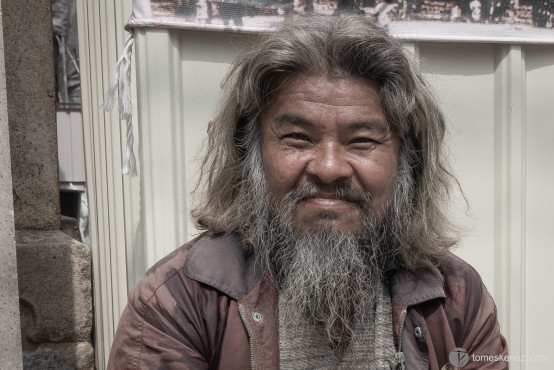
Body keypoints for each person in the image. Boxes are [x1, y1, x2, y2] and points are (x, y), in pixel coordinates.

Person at [107, 15, 508, 369]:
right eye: (297, 138)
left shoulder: (454, 297)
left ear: (407, 159)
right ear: (252, 152)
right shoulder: (179, 302)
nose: (329, 168)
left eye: (362, 140)